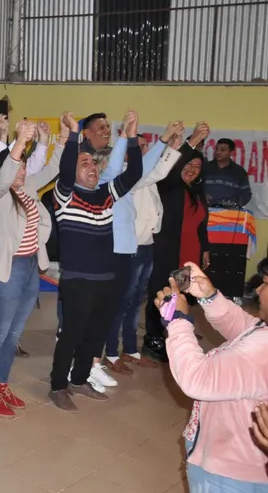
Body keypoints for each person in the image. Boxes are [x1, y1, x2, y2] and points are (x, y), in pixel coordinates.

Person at [48, 110, 142, 412]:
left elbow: (134, 174)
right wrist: (74, 134)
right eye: (84, 163)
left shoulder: (105, 194)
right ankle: (58, 386)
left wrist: (132, 138)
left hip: (107, 278)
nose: (91, 168)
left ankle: (79, 379)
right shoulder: (64, 195)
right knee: (71, 335)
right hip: (78, 281)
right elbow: (65, 170)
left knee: (96, 335)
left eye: (92, 164)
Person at [157, 261, 268, 490]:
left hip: (229, 473)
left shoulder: (262, 350)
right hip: (248, 464)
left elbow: (197, 378)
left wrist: (178, 321)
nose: (257, 290)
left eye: (266, 283)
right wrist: (209, 296)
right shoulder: (262, 333)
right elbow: (246, 328)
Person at [0, 120, 58, 418]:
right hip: (7, 269)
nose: (23, 172)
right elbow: (3, 178)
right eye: (18, 167)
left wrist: (59, 138)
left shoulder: (28, 190)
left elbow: (52, 169)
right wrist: (19, 144)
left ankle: (2, 384)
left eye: (25, 167)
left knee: (14, 334)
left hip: (29, 267)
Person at [102, 122, 183, 376]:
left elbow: (156, 175)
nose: (145, 150)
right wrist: (168, 147)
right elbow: (156, 171)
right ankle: (112, 353)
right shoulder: (125, 177)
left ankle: (131, 350)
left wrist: (170, 148)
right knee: (122, 302)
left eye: (147, 146)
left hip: (146, 245)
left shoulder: (143, 177)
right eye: (141, 146)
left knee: (136, 301)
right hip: (131, 247)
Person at [144, 123, 211, 362]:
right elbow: (171, 171)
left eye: (197, 167)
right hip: (167, 252)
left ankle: (174, 331)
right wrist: (191, 141)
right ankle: (152, 339)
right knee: (161, 294)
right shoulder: (169, 187)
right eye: (189, 164)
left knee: (179, 297)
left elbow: (202, 224)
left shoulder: (198, 193)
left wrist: (205, 249)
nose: (192, 169)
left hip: (188, 255)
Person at [204, 137, 254, 300]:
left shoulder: (239, 172)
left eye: (223, 149)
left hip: (231, 222)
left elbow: (246, 194)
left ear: (231, 152)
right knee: (207, 254)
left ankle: (231, 292)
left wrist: (235, 202)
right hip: (206, 218)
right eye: (217, 149)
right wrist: (202, 195)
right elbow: (193, 188)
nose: (218, 152)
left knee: (230, 256)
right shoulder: (205, 168)